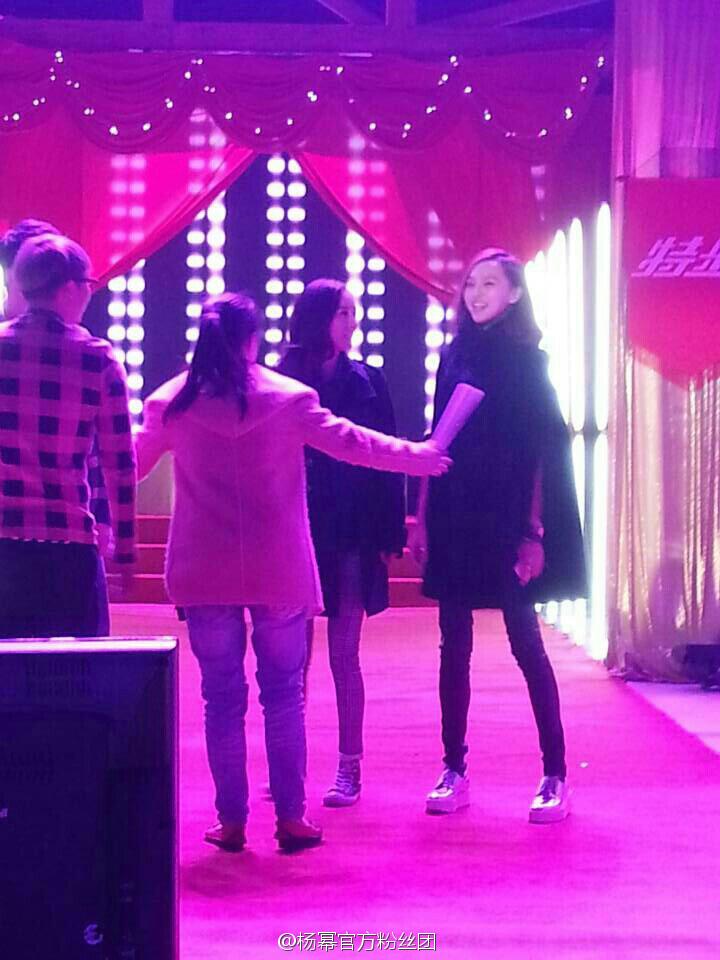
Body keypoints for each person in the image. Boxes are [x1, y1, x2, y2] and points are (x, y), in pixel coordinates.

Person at [135, 293, 449, 853]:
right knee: (282, 694)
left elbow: (127, 463)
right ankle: (291, 817)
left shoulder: (173, 403)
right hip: (277, 566)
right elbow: (356, 444)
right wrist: (417, 456)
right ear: (252, 340)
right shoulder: (287, 399)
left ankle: (231, 820)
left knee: (220, 699)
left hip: (203, 570)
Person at [410, 248, 586, 823]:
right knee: (452, 644)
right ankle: (453, 768)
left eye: (490, 284)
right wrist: (423, 514)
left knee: (525, 642)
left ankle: (555, 773)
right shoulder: (453, 355)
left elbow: (542, 452)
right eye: (470, 285)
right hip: (456, 512)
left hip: (507, 518)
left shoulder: (529, 362)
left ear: (514, 293)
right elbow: (437, 440)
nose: (476, 294)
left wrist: (533, 531)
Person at [279, 279, 406, 808]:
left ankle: (349, 766)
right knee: (291, 656)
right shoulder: (281, 379)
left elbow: (387, 458)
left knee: (343, 653)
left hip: (352, 532)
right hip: (295, 530)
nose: (352, 323)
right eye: (343, 313)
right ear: (318, 318)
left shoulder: (369, 381)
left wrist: (390, 533)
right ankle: (289, 763)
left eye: (354, 313)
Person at [0, 233, 136, 639]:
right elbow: (120, 464)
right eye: (89, 284)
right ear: (69, 288)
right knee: (78, 669)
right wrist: (126, 551)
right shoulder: (97, 359)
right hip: (70, 546)